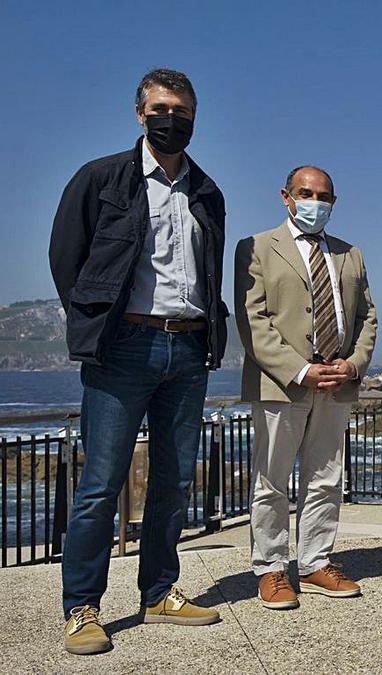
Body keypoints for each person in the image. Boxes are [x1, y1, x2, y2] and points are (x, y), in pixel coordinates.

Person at [48, 69, 227, 655]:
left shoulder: (207, 191)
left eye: (182, 110)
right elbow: (66, 260)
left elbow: (208, 270)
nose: (171, 119)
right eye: (161, 108)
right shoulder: (100, 179)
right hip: (123, 347)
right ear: (139, 111)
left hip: (189, 347)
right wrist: (97, 324)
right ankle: (82, 607)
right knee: (100, 485)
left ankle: (158, 592)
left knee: (173, 483)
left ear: (195, 117)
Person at [235, 166, 377, 609]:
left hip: (336, 383)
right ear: (286, 196)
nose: (315, 202)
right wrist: (299, 370)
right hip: (283, 383)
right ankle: (271, 569)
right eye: (306, 193)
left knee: (326, 478)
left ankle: (316, 562)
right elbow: (253, 320)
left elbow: (367, 317)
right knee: (272, 480)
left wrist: (353, 365)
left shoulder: (349, 254)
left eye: (324, 196)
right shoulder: (256, 247)